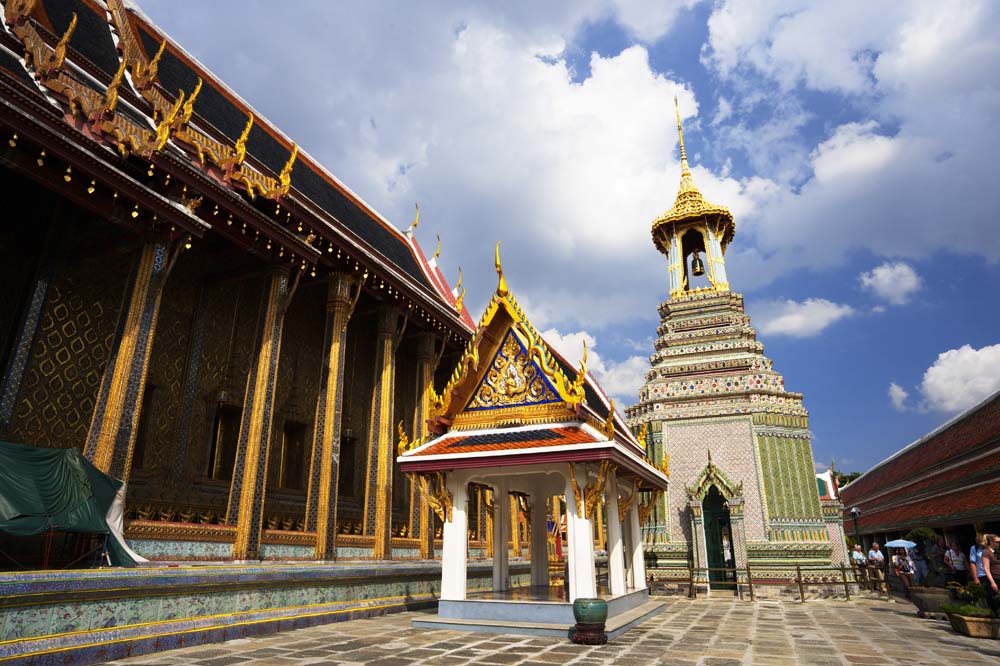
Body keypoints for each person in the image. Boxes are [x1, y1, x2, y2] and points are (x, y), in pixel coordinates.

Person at [982, 534, 999, 617]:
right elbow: (986, 568)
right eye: (997, 542)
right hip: (995, 578)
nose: (999, 543)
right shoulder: (986, 552)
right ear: (991, 542)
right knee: (995, 601)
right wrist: (993, 583)